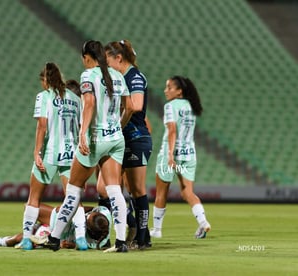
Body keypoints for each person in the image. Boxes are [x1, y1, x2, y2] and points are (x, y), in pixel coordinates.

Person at [42, 40, 132, 253]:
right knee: (114, 190)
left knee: (73, 191)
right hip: (116, 139)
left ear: (86, 57)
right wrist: (118, 126)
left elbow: (89, 104)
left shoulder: (88, 75)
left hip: (95, 140)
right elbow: (130, 107)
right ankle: (120, 242)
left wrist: (82, 133)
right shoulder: (118, 76)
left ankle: (54, 238)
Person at [19, 62, 82, 250]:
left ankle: (26, 239)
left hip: (50, 153)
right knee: (73, 198)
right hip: (71, 154)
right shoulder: (75, 99)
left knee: (34, 198)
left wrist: (37, 152)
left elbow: (42, 126)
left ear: (45, 81)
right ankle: (81, 239)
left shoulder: (44, 97)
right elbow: (80, 128)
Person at [103, 40, 152, 249]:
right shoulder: (120, 78)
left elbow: (136, 105)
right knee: (109, 188)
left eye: (108, 60)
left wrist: (118, 125)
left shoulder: (135, 77)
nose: (106, 65)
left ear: (118, 58)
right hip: (123, 138)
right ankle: (135, 229)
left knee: (137, 189)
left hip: (135, 137)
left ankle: (142, 238)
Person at [151, 76, 211, 239]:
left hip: (172, 154)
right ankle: (203, 222)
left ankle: (157, 230)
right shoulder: (191, 107)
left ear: (179, 91)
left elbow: (172, 130)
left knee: (161, 193)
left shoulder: (170, 106)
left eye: (169, 87)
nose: (165, 90)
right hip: (189, 153)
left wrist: (170, 155)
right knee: (187, 193)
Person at [0, 203, 111, 250]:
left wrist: (68, 245)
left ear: (88, 230)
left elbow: (68, 244)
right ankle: (37, 228)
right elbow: (87, 208)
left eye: (86, 220)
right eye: (88, 215)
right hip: (61, 219)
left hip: (61, 233)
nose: (86, 216)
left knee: (21, 238)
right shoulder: (104, 213)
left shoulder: (92, 242)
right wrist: (71, 210)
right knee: (30, 207)